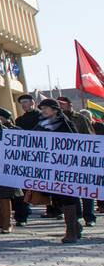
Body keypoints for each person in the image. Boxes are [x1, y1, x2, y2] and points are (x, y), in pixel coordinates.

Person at [35, 98, 81, 243]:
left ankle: (71, 231)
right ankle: (75, 225)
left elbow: (76, 143)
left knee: (68, 196)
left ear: (55, 110)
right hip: (49, 167)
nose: (43, 111)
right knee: (57, 197)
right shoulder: (40, 125)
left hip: (66, 167)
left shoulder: (66, 124)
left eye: (45, 108)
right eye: (42, 109)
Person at [56, 97, 96, 227]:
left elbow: (90, 136)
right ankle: (76, 216)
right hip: (65, 160)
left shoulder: (80, 118)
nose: (61, 107)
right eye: (58, 105)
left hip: (81, 158)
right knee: (72, 190)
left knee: (86, 189)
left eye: (62, 104)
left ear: (69, 104)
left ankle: (89, 217)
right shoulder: (55, 121)